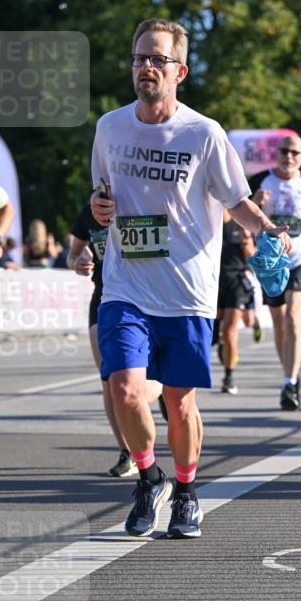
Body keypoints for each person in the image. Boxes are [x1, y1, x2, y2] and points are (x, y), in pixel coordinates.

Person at [90, 17, 291, 539]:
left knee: (179, 402)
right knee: (125, 389)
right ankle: (148, 477)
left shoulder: (204, 133)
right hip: (125, 285)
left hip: (186, 291)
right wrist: (99, 206)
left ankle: (185, 490)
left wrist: (269, 229)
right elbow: (101, 193)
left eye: (158, 59)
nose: (146, 67)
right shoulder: (109, 127)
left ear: (179, 71)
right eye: (140, 58)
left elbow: (236, 201)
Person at [68, 201, 170, 478]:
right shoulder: (91, 209)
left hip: (150, 295)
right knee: (109, 379)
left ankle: (161, 386)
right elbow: (73, 253)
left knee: (136, 385)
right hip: (106, 297)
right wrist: (78, 263)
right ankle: (127, 451)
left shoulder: (146, 199)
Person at [249, 138, 301, 410]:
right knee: (279, 323)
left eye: (295, 152)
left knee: (293, 316)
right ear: (277, 153)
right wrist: (256, 202)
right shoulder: (260, 180)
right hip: (271, 263)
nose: (289, 156)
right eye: (284, 151)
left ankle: (290, 381)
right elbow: (241, 210)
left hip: (299, 260)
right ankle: (289, 374)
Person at [216, 208, 257, 394]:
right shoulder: (209, 222)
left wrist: (246, 242)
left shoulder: (241, 225)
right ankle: (223, 344)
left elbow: (253, 257)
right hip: (214, 281)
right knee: (219, 330)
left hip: (237, 281)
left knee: (230, 329)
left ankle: (229, 376)